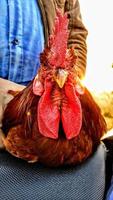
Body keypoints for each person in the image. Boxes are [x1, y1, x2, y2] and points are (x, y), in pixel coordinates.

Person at [0, 1, 107, 200]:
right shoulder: (19, 136)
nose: (60, 74)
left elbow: (74, 32)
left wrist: (70, 74)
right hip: (23, 106)